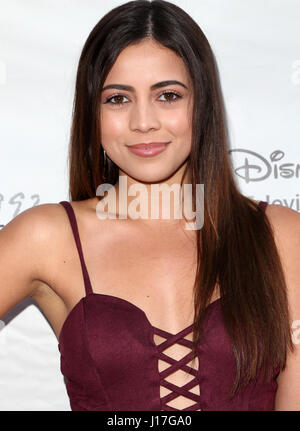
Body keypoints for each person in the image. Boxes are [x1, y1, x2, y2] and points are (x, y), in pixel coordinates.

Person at [0, 0, 299, 411]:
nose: (144, 121)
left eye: (168, 95)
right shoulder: (48, 237)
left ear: (202, 104)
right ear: (93, 110)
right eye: (118, 99)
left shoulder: (282, 236)